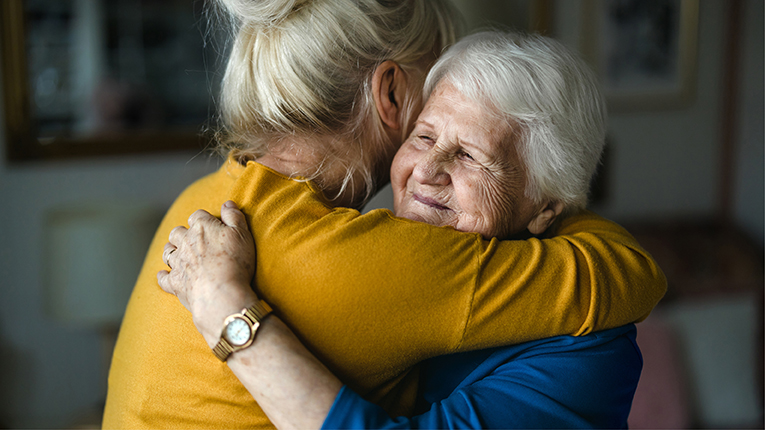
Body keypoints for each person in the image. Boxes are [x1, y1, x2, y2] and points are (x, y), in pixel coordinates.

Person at [103, 1, 665, 428]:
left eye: (470, 156)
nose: (427, 169)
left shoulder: (203, 197)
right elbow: (626, 272)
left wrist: (227, 311)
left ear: (546, 206)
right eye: (424, 131)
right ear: (392, 95)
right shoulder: (372, 260)